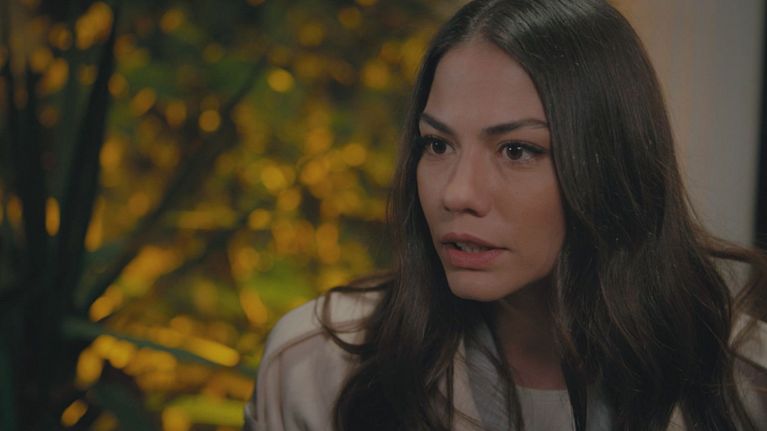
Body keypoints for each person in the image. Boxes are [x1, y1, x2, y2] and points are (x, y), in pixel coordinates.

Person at [244, 0, 767, 429]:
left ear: (613, 165)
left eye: (517, 150)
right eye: (438, 144)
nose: (458, 193)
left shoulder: (745, 388)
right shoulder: (318, 366)